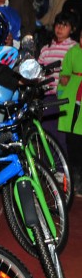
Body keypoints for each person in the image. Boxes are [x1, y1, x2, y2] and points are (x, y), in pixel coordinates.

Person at [39, 11, 78, 149]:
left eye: (65, 25)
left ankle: (62, 168)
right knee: (46, 131)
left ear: (72, 29)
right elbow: (40, 71)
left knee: (60, 133)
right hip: (48, 95)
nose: (60, 28)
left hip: (66, 96)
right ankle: (50, 166)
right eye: (58, 24)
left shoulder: (74, 47)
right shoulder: (46, 48)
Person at [57, 29, 82, 193]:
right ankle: (74, 178)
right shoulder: (73, 52)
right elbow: (64, 73)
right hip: (73, 96)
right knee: (72, 140)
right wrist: (64, 80)